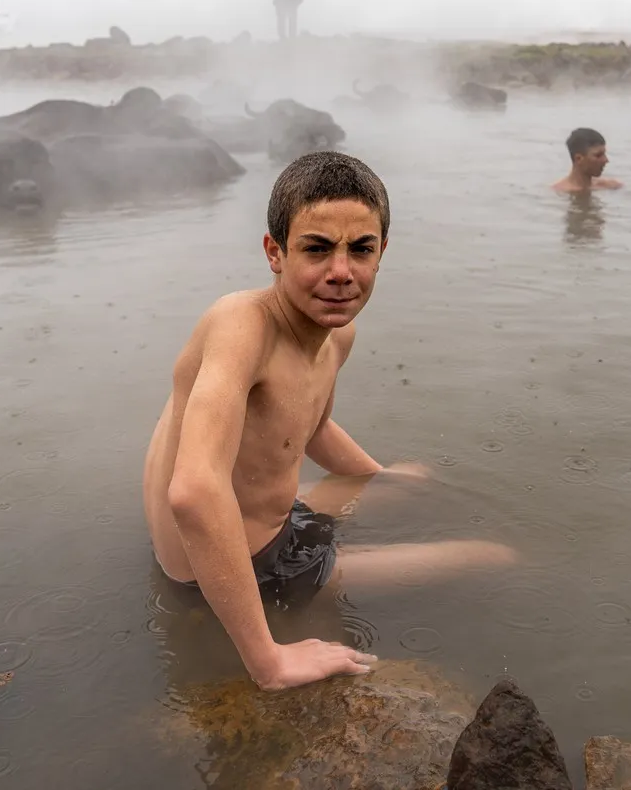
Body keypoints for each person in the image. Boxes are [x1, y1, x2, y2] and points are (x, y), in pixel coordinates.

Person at [141, 150, 517, 691]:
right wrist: (269, 662)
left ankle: (389, 490)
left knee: (412, 476)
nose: (341, 273)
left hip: (267, 518)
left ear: (382, 251)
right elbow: (195, 493)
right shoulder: (241, 325)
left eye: (360, 249)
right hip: (226, 568)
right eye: (316, 249)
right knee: (492, 556)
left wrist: (383, 480)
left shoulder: (336, 334)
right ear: (275, 252)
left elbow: (311, 428)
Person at [552, 127, 622, 192]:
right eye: (598, 155)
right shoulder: (560, 191)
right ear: (579, 159)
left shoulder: (611, 186)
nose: (606, 160)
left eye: (604, 154)